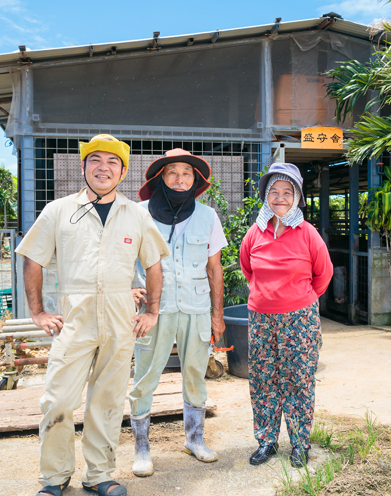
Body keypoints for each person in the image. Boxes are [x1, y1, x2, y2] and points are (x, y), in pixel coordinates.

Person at [16, 134, 170, 496]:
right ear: (83, 167)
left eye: (112, 162)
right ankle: (54, 478)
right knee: (58, 400)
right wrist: (37, 312)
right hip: (75, 316)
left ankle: (100, 475)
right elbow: (33, 258)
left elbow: (154, 264)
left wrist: (152, 312)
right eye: (96, 160)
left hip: (119, 317)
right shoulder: (58, 211)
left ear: (123, 171)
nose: (104, 167)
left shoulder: (136, 214)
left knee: (109, 400)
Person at [128, 148, 227, 477]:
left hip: (196, 309)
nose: (180, 178)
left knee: (196, 376)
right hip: (152, 312)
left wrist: (217, 314)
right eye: (173, 172)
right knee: (144, 379)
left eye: (187, 172)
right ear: (161, 178)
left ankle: (194, 440)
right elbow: (123, 258)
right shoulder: (139, 214)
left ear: (196, 180)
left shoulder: (208, 216)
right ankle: (142, 448)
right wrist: (129, 288)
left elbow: (215, 268)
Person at [240, 162, 333, 468]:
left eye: (287, 192)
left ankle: (299, 443)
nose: (280, 197)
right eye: (274, 191)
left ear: (297, 197)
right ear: (266, 196)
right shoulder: (255, 233)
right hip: (261, 318)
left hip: (299, 319)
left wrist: (298, 299)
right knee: (263, 380)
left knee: (298, 380)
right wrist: (268, 296)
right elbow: (248, 269)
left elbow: (323, 274)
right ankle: (266, 441)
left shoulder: (308, 233)